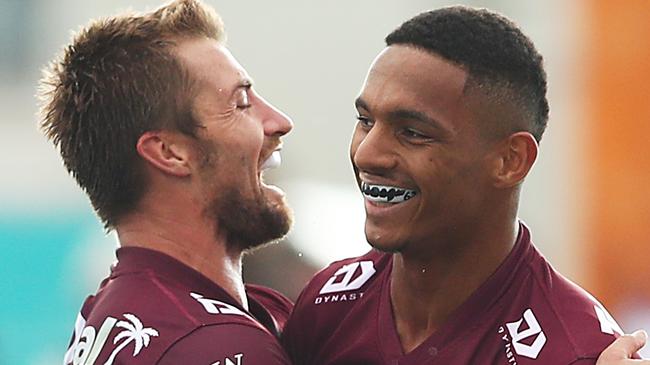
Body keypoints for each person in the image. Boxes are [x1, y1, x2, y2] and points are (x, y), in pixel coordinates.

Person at [282, 6, 629, 364]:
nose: (368, 155)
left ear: (511, 161)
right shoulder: (329, 304)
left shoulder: (571, 351)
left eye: (413, 133)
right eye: (365, 121)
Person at [39, 0, 294, 363]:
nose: (279, 121)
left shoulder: (108, 317)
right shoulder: (218, 345)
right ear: (169, 152)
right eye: (240, 103)